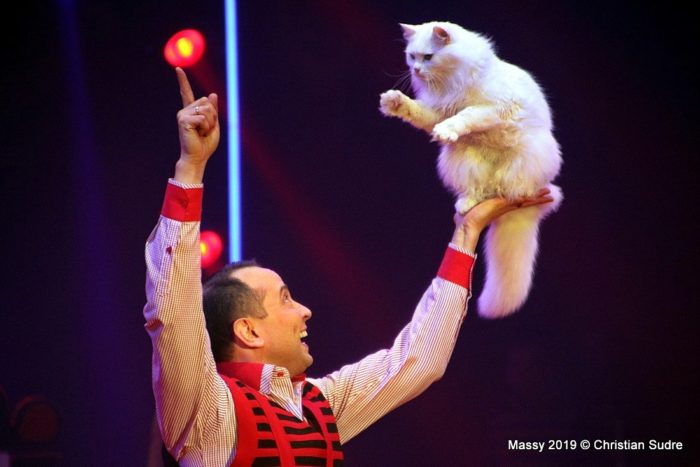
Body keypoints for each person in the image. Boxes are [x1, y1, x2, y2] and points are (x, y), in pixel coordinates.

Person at [143, 68, 554, 466]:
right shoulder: (205, 411)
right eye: (284, 300)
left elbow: (419, 360)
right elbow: (174, 312)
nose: (305, 310)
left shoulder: (323, 404)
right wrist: (190, 168)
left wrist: (467, 233)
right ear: (247, 330)